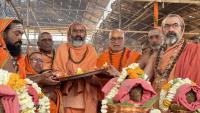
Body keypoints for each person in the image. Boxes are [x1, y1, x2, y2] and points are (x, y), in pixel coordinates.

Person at [145, 14, 200, 94]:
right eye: (166, 26)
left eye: (175, 26)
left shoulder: (194, 51)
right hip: (155, 100)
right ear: (163, 30)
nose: (170, 29)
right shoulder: (157, 53)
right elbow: (144, 78)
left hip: (178, 101)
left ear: (182, 29)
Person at [53, 22, 98, 113]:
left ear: (85, 34)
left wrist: (88, 74)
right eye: (75, 31)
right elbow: (57, 70)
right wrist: (64, 75)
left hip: (87, 93)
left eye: (81, 31)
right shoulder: (62, 48)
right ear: (70, 33)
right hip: (67, 93)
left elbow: (94, 71)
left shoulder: (91, 50)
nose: (78, 34)